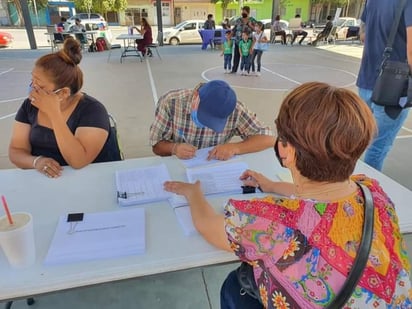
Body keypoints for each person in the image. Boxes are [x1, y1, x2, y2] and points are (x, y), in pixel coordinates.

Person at [163, 82, 412, 308]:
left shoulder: (271, 223)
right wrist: (271, 185)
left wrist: (193, 193)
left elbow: (207, 226)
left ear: (287, 151)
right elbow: (326, 197)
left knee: (233, 286)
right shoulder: (372, 191)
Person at [8, 38, 121, 178]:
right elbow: (16, 150)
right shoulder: (29, 106)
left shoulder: (92, 111)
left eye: (40, 86)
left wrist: (54, 114)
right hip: (45, 180)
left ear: (63, 93)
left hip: (90, 179)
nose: (33, 88)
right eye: (32, 80)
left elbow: (78, 161)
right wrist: (36, 161)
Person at [149, 80, 275, 160]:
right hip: (178, 167)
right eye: (204, 117)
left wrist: (235, 148)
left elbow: (268, 139)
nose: (205, 125)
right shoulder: (171, 103)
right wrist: (174, 148)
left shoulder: (236, 109)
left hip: (214, 169)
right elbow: (156, 145)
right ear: (196, 97)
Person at [356, 0, 412, 171]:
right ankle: (366, 190)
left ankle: (346, 186)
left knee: (360, 141)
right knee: (378, 148)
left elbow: (363, 34)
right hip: (393, 89)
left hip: (366, 81)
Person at [230, 6, 257, 73]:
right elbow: (234, 28)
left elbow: (257, 29)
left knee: (247, 56)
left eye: (244, 11)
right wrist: (231, 34)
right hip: (238, 41)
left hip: (248, 42)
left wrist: (250, 25)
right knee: (236, 55)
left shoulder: (252, 20)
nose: (242, 13)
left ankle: (247, 70)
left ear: (248, 12)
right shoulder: (238, 20)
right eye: (242, 11)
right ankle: (234, 70)